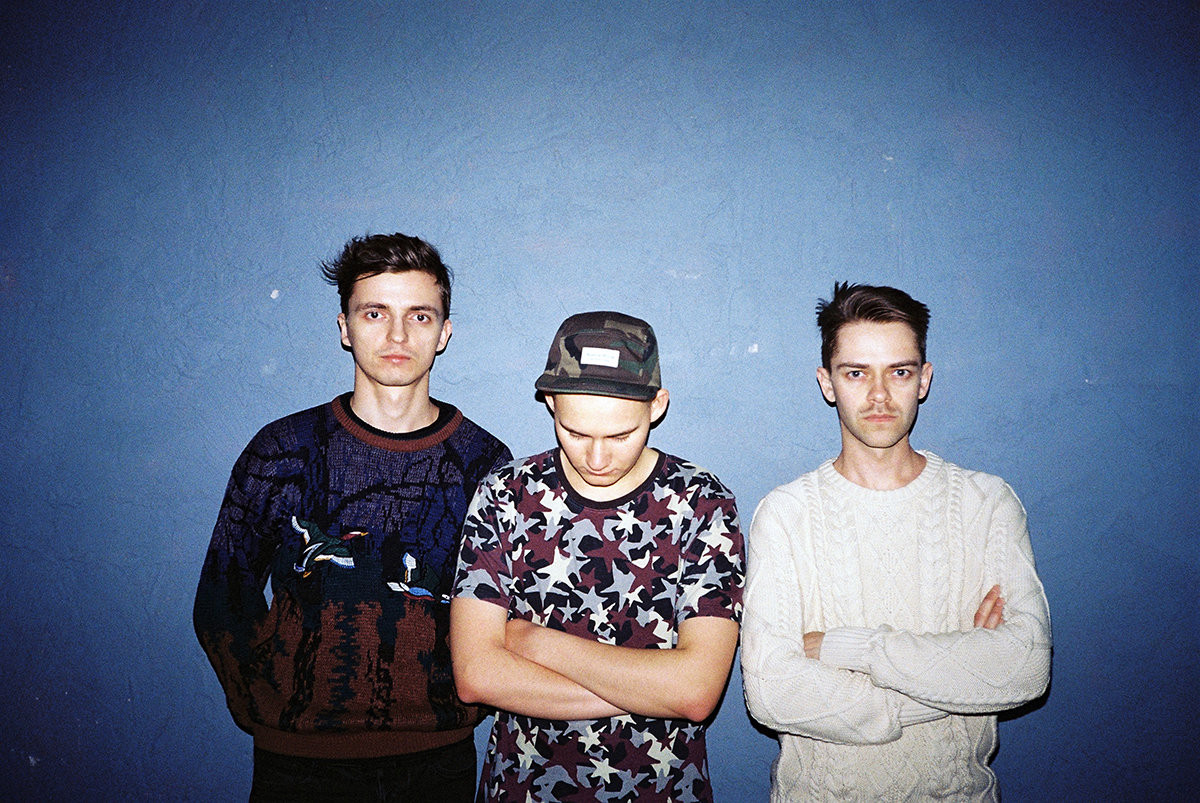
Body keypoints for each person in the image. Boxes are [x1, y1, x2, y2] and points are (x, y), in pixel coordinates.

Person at [193, 233, 511, 802]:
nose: (397, 335)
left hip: (437, 762)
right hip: (298, 766)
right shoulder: (282, 451)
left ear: (444, 333)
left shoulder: (484, 463)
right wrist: (269, 706)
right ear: (345, 327)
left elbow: (504, 615)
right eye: (375, 313)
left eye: (419, 315)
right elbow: (222, 597)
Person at [741, 282, 1052, 801]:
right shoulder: (786, 514)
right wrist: (960, 675)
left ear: (924, 379)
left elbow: (1026, 666)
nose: (879, 395)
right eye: (856, 373)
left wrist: (851, 647)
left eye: (899, 372)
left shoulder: (986, 503)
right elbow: (772, 692)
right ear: (827, 383)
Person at [450, 311, 745, 802]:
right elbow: (476, 677)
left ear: (657, 406)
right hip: (522, 789)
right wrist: (654, 691)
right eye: (576, 432)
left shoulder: (701, 503)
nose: (597, 458)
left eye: (620, 436)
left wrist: (535, 643)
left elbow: (696, 693)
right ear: (550, 401)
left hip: (662, 791)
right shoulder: (506, 494)